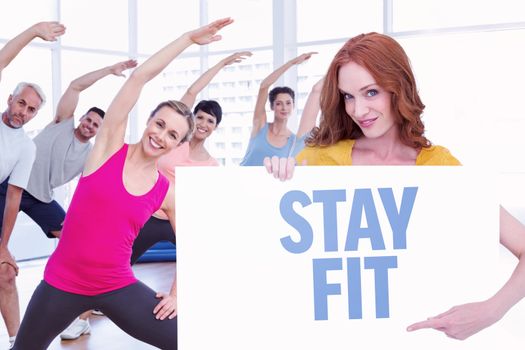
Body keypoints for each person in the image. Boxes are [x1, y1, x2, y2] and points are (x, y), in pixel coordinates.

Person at [264, 32, 525, 341]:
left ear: (397, 88)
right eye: (348, 96)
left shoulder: (437, 166)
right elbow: (272, 260)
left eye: (370, 92)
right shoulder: (320, 161)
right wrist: (272, 184)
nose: (358, 110)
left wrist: (490, 311)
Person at [12, 18, 232, 350]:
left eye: (172, 134)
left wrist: (177, 294)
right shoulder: (107, 148)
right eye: (159, 124)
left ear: (178, 145)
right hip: (61, 283)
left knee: (186, 339)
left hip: (116, 286)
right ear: (148, 121)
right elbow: (140, 77)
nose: (161, 136)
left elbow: (192, 244)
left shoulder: (166, 191)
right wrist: (187, 38)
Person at [4, 59, 137, 341]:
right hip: (10, 187)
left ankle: (81, 305)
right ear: (81, 118)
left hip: (41, 198)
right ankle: (18, 337)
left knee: (75, 238)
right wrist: (108, 71)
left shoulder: (91, 155)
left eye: (96, 125)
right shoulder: (61, 124)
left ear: (99, 131)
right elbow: (76, 85)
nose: (89, 125)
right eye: (88, 119)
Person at [130, 51, 251, 265]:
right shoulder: (174, 141)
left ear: (215, 127)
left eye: (210, 121)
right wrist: (222, 63)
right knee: (120, 261)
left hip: (177, 221)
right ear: (192, 119)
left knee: (203, 261)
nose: (203, 124)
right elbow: (192, 91)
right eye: (200, 117)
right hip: (148, 215)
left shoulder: (212, 164)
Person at [0, 21, 66, 350]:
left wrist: (4, 245)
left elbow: (13, 197)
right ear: (10, 98)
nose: (23, 112)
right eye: (21, 104)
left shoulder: (26, 147)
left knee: (5, 272)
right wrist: (32, 32)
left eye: (31, 110)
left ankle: (18, 343)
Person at [239, 51, 318, 165]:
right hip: (241, 181)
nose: (284, 108)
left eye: (288, 103)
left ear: (293, 106)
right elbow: (264, 86)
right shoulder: (260, 126)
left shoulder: (293, 141)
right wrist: (292, 63)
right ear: (272, 106)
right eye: (279, 103)